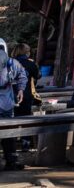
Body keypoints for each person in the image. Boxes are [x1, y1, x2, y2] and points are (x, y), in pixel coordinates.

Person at [0, 41, 28, 170]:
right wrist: (21, 89)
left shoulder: (12, 63)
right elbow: (23, 75)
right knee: (9, 134)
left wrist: (21, 89)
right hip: (7, 103)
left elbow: (22, 76)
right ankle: (11, 161)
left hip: (7, 103)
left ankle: (11, 161)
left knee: (9, 134)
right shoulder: (12, 63)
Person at [12, 44, 40, 152]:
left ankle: (11, 145)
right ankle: (25, 144)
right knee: (26, 120)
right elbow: (38, 75)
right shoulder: (30, 63)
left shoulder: (9, 62)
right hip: (26, 95)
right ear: (26, 52)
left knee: (11, 119)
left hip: (11, 96)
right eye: (28, 51)